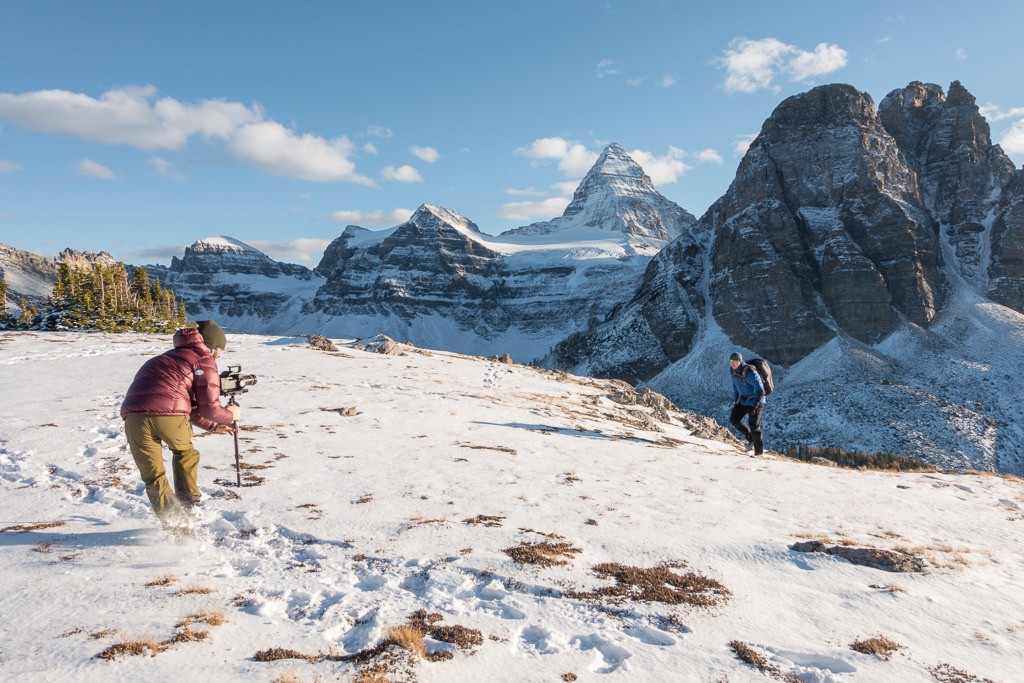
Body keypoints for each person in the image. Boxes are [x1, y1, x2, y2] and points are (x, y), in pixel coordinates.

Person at [120, 320, 240, 525]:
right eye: (219, 349)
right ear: (210, 346)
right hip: (169, 419)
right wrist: (231, 415)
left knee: (153, 477)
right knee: (185, 453)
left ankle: (178, 528)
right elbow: (208, 408)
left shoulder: (161, 359)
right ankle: (188, 504)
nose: (219, 355)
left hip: (134, 419)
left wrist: (213, 426)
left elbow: (181, 405)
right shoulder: (203, 359)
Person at [728, 351, 765, 455]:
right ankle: (750, 439)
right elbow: (735, 387)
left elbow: (760, 390)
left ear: (740, 361)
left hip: (756, 401)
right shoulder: (733, 371)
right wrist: (736, 402)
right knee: (734, 420)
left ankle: (759, 453)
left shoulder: (750, 372)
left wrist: (754, 406)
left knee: (754, 425)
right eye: (731, 361)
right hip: (743, 400)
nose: (732, 363)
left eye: (734, 361)